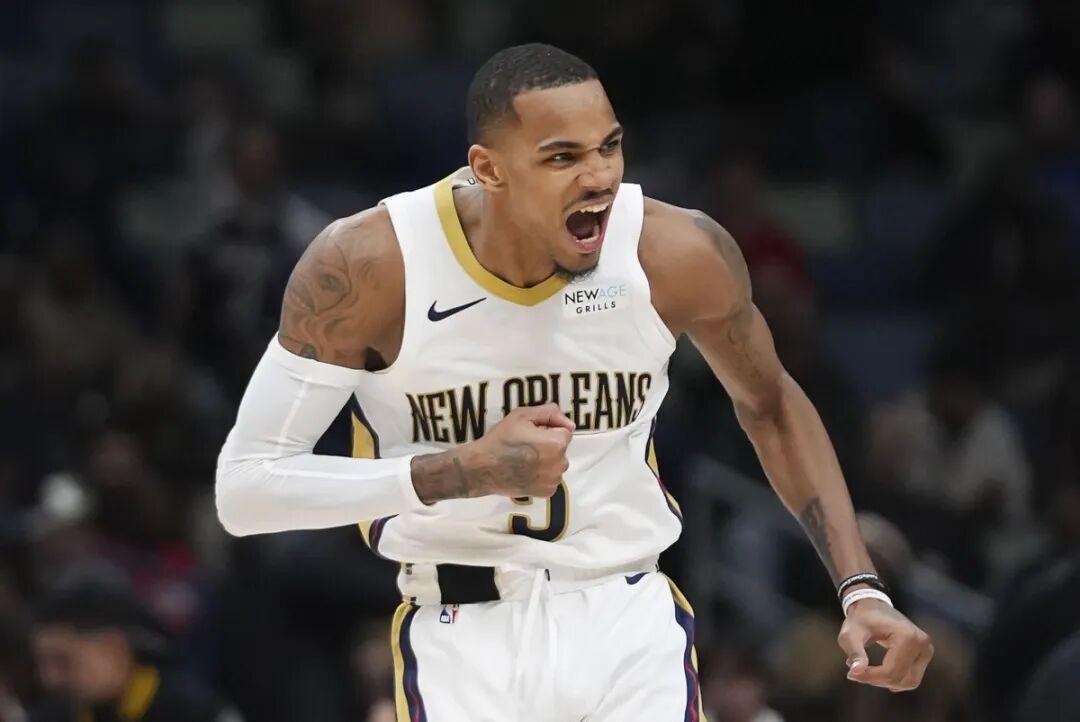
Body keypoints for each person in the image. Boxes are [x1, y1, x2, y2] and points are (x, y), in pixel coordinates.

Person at [215, 43, 933, 720]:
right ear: (488, 169)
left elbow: (770, 405)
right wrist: (459, 472)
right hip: (462, 630)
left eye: (608, 147)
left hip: (627, 615)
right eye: (562, 157)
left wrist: (860, 590)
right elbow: (246, 490)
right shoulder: (371, 265)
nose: (599, 177)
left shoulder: (673, 251)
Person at [29, 568, 239, 722]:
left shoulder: (197, 714)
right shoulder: (54, 716)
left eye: (63, 660)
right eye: (41, 662)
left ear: (114, 649)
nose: (48, 678)